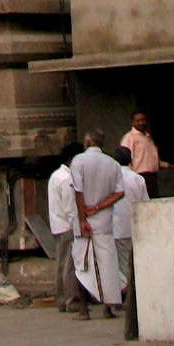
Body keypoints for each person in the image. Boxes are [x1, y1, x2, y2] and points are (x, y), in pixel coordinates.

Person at [70, 132, 124, 320]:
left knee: (81, 265)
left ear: (87, 142)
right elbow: (119, 193)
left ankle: (84, 309)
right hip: (105, 221)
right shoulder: (113, 164)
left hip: (86, 223)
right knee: (107, 264)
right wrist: (100, 206)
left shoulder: (79, 161)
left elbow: (78, 192)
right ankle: (108, 308)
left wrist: (83, 218)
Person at [47, 142, 82, 312]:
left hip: (57, 225)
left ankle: (62, 300)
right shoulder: (67, 179)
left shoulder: (55, 176)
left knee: (61, 264)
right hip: (67, 226)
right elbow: (70, 208)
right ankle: (72, 301)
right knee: (69, 266)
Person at [113, 146, 149, 288]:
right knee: (134, 264)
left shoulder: (112, 179)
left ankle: (123, 296)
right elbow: (145, 205)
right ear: (131, 160)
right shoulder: (138, 179)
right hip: (134, 228)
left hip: (117, 228)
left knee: (120, 266)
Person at [120, 110, 169, 199]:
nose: (141, 123)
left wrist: (167, 165)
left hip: (152, 177)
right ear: (132, 122)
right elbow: (125, 158)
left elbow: (152, 158)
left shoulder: (148, 137)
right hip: (140, 176)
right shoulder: (129, 138)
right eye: (138, 121)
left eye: (143, 120)